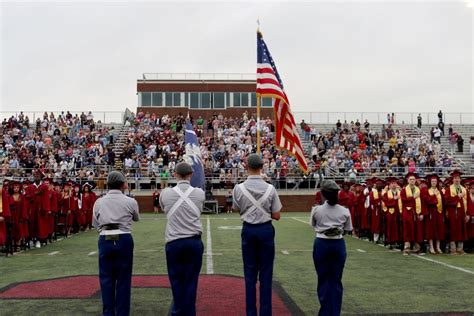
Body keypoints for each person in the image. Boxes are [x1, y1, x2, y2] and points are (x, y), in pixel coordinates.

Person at [232, 153, 282, 316]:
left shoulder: (238, 188)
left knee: (249, 274)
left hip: (248, 230)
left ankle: (250, 313)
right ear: (262, 167)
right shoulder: (270, 188)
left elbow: (236, 209)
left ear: (246, 167)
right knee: (266, 274)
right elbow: (276, 215)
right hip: (266, 230)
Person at [160, 162, 205, 316]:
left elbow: (163, 207)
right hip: (193, 242)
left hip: (174, 243)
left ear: (175, 174)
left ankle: (177, 312)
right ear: (191, 175)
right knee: (191, 281)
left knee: (176, 281)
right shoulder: (199, 193)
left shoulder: (165, 193)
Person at [92, 171, 140, 316]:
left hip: (105, 238)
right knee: (124, 279)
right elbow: (136, 218)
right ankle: (123, 313)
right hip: (124, 237)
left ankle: (108, 312)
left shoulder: (99, 201)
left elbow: (95, 223)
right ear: (122, 184)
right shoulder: (130, 201)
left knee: (106, 278)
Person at [310, 180, 352, 316]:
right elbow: (348, 228)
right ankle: (334, 312)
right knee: (336, 279)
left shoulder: (317, 210)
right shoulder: (345, 211)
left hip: (321, 244)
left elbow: (313, 224)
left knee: (323, 279)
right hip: (338, 245)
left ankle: (325, 311)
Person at [443, 170, 468, 255]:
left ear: (460, 179)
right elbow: (447, 201)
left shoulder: (464, 189)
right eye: (455, 178)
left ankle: (460, 249)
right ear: (452, 179)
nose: (457, 180)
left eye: (458, 178)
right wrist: (457, 197)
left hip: (462, 212)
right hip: (452, 212)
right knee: (453, 229)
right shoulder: (449, 189)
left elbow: (467, 202)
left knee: (461, 229)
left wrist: (467, 213)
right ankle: (453, 249)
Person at [400, 172, 424, 255]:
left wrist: (422, 213)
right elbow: (404, 201)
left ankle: (417, 248)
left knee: (417, 230)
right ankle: (406, 248)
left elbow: (422, 202)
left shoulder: (418, 189)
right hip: (408, 212)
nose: (412, 181)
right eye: (410, 179)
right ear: (408, 180)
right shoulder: (403, 190)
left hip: (416, 212)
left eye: (413, 179)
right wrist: (413, 197)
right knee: (408, 230)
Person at [421, 174, 445, 254]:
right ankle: (431, 247)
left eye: (435, 181)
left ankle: (438, 247)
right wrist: (434, 195)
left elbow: (443, 202)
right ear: (430, 182)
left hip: (439, 212)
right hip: (431, 213)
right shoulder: (427, 190)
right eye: (432, 181)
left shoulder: (440, 191)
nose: (434, 182)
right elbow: (428, 201)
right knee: (431, 230)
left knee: (439, 230)